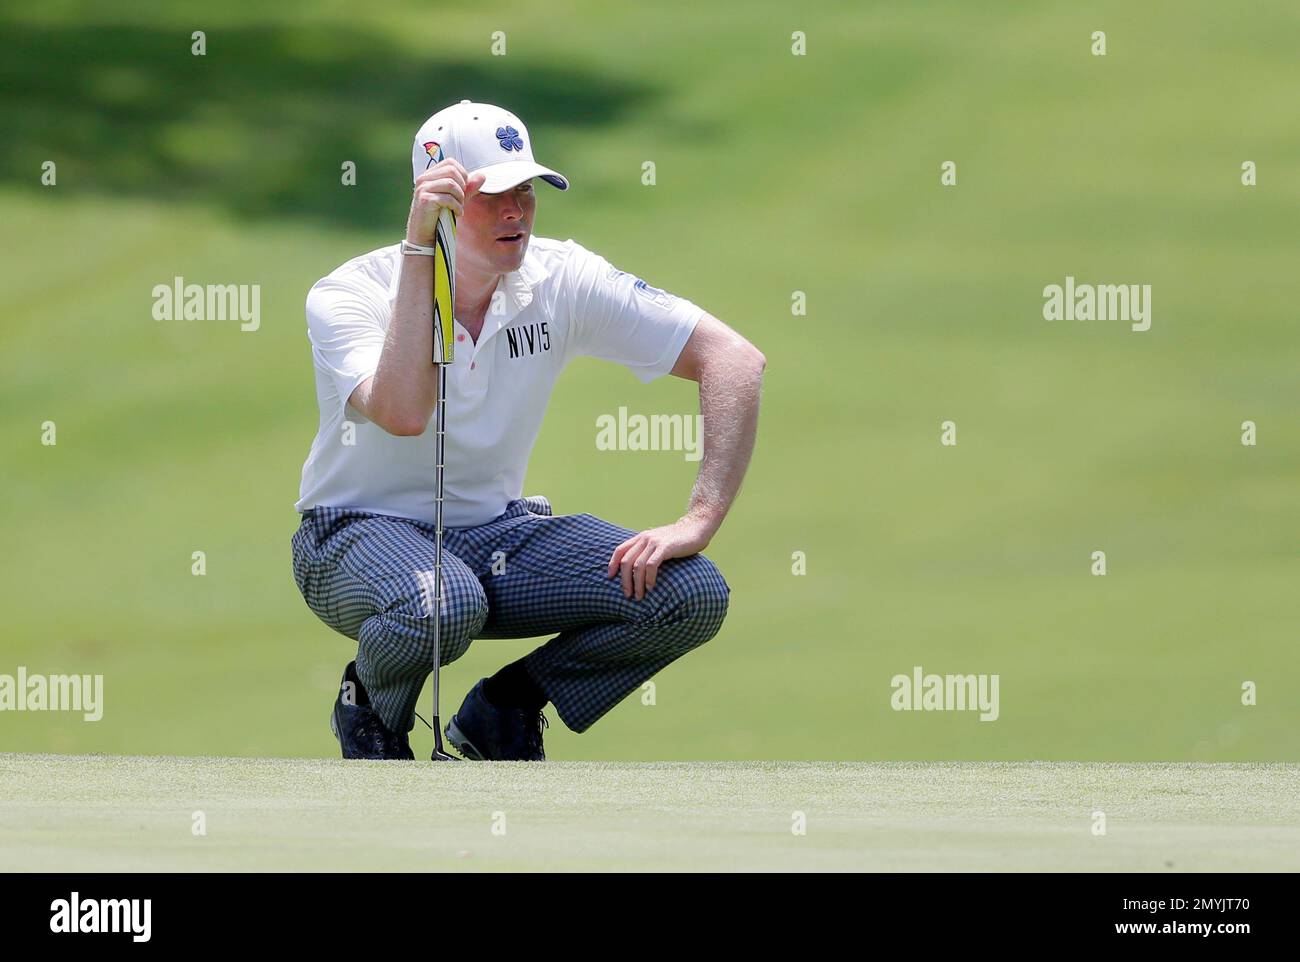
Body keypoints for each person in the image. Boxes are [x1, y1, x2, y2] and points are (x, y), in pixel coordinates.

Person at [291, 100, 765, 760]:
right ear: (439, 200)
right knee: (441, 603)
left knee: (689, 595)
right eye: (493, 194)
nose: (516, 211)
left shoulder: (560, 276)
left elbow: (734, 360)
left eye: (526, 191)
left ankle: (503, 710)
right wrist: (419, 256)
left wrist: (700, 518)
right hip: (351, 536)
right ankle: (370, 710)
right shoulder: (349, 293)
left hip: (495, 536)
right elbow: (402, 414)